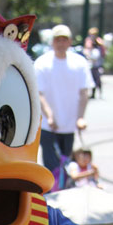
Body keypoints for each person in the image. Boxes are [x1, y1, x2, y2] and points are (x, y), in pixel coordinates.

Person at [34, 24, 93, 175]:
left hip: (69, 125)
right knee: (51, 165)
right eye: (57, 40)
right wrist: (49, 115)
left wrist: (80, 117)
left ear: (70, 42)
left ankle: (63, 190)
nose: (61, 43)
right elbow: (39, 93)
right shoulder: (42, 63)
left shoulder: (79, 63)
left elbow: (84, 92)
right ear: (52, 42)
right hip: (48, 125)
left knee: (66, 165)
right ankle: (51, 196)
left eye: (64, 40)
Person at [83, 27, 105, 98]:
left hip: (98, 62)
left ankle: (100, 92)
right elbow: (87, 48)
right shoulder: (88, 40)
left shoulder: (98, 40)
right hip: (91, 61)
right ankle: (93, 93)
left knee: (98, 77)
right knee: (92, 77)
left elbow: (102, 47)